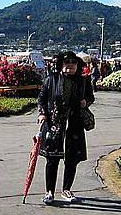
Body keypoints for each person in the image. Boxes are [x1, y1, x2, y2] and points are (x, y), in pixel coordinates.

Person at [37, 51, 95, 205]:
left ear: (78, 65)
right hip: (54, 125)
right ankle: (49, 191)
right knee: (52, 159)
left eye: (73, 62)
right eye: (66, 62)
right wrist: (43, 114)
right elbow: (41, 98)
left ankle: (66, 189)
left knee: (72, 160)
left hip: (75, 125)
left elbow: (90, 97)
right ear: (61, 64)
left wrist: (85, 102)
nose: (70, 64)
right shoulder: (52, 79)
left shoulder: (83, 81)